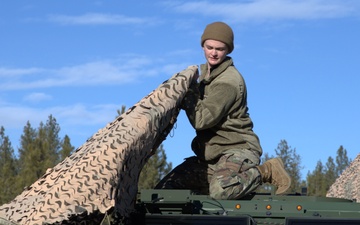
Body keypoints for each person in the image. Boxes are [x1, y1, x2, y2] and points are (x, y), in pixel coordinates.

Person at [155, 21, 291, 199]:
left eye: (219, 48)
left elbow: (201, 119)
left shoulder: (228, 82)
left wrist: (188, 92)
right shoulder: (205, 76)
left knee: (222, 191)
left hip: (237, 150)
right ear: (202, 46)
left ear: (228, 50)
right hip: (211, 158)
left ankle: (266, 171)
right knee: (163, 193)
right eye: (209, 47)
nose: (213, 53)